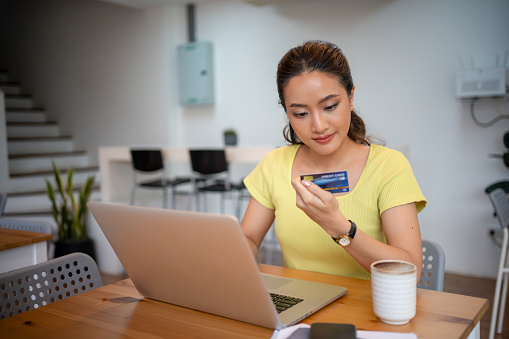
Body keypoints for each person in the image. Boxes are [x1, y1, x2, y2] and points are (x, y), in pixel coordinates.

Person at [241, 40, 426, 280]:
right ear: (287, 112)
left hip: (366, 313)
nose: (318, 126)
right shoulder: (275, 164)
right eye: (300, 114)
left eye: (329, 106)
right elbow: (249, 237)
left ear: (350, 97)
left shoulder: (389, 167)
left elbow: (410, 269)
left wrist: (340, 228)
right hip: (297, 312)